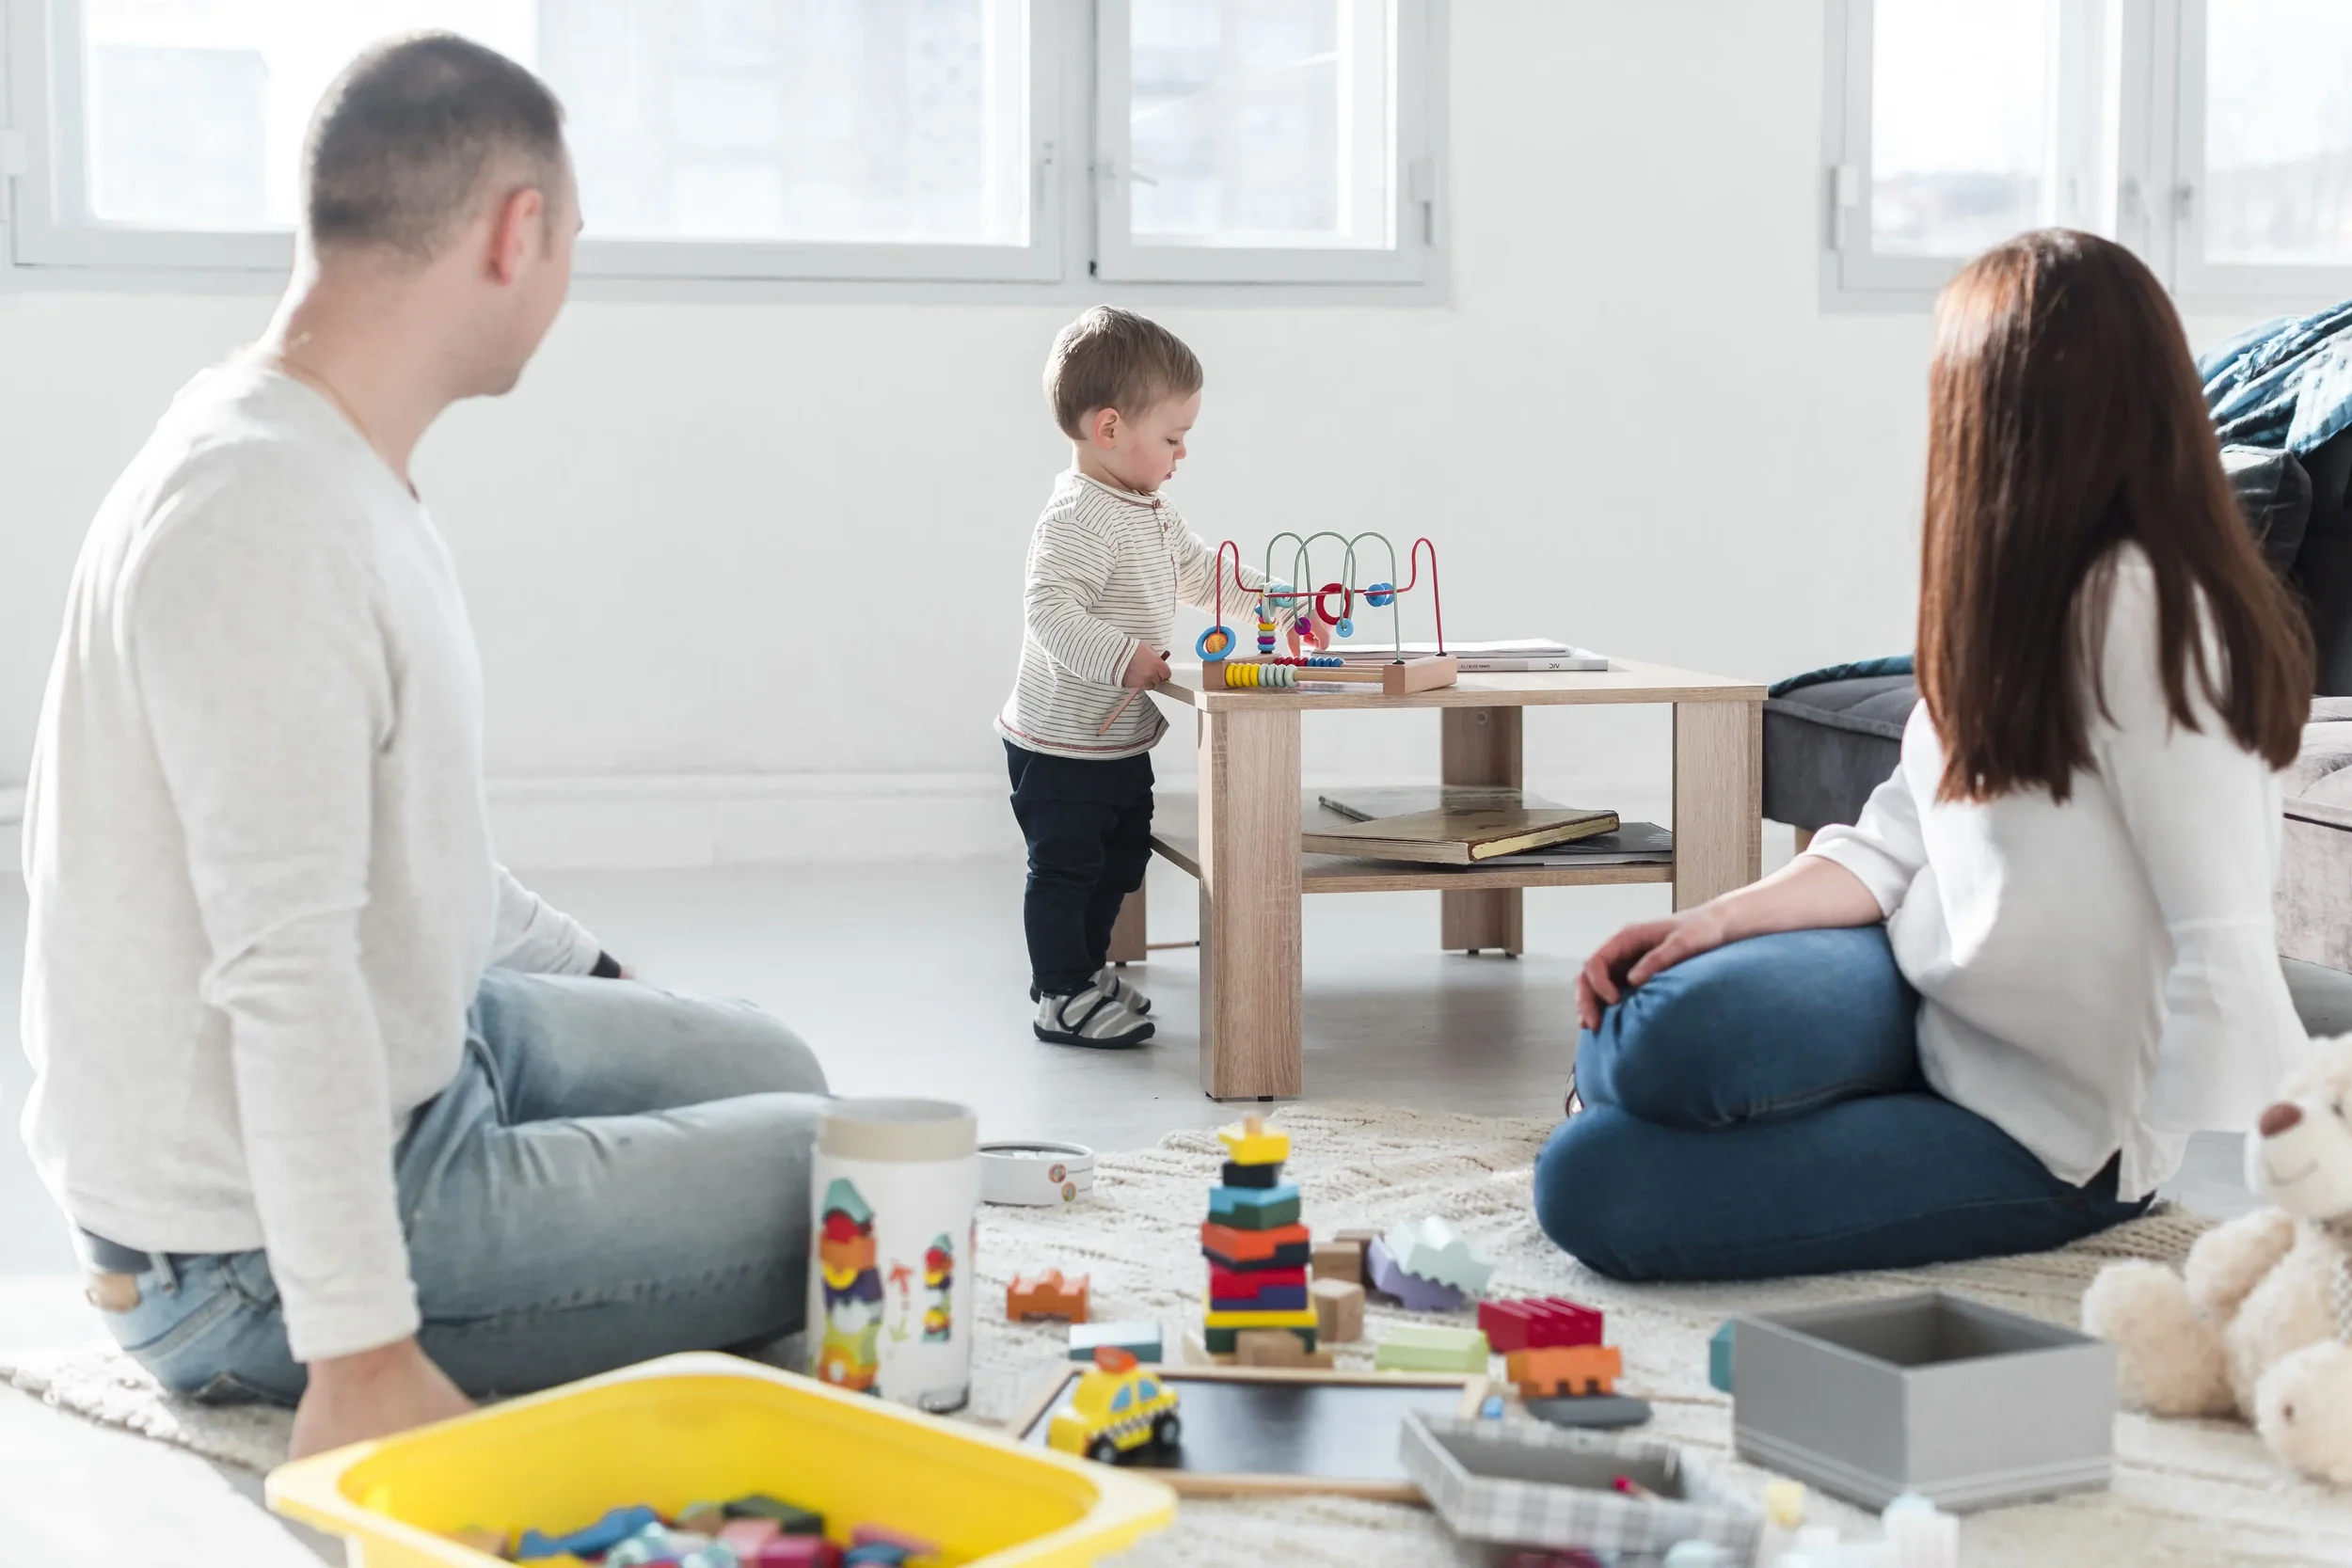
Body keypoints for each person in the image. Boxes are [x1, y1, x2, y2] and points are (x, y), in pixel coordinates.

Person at [18, 35, 828, 1459]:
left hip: (431, 1045)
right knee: (845, 1178)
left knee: (777, 1062)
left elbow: (410, 840)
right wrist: (364, 1349)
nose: (567, 274)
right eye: (572, 238)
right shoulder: (260, 514)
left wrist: (600, 984)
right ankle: (343, 1329)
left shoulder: (334, 458)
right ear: (520, 233)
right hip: (234, 1246)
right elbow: (285, 964)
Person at [1537, 230, 2315, 1281]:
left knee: (1591, 1181)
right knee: (1649, 1018)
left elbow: (2222, 941)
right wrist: (1708, 923)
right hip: (1923, 998)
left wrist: (2230, 1208)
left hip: (2052, 1133)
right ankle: (1678, 1085)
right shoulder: (2010, 592)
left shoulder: (2148, 613)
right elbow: (1897, 836)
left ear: (1997, 413)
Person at [995, 307, 1313, 1048]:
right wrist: (1120, 655)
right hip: (1058, 740)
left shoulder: (1151, 511)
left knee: (1122, 856)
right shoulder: (1077, 515)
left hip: (1116, 738)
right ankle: (1060, 992)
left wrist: (1280, 602)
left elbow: (1202, 573)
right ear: (1110, 430)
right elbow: (1048, 608)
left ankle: (1082, 966)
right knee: (1066, 867)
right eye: (1173, 438)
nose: (1182, 454)